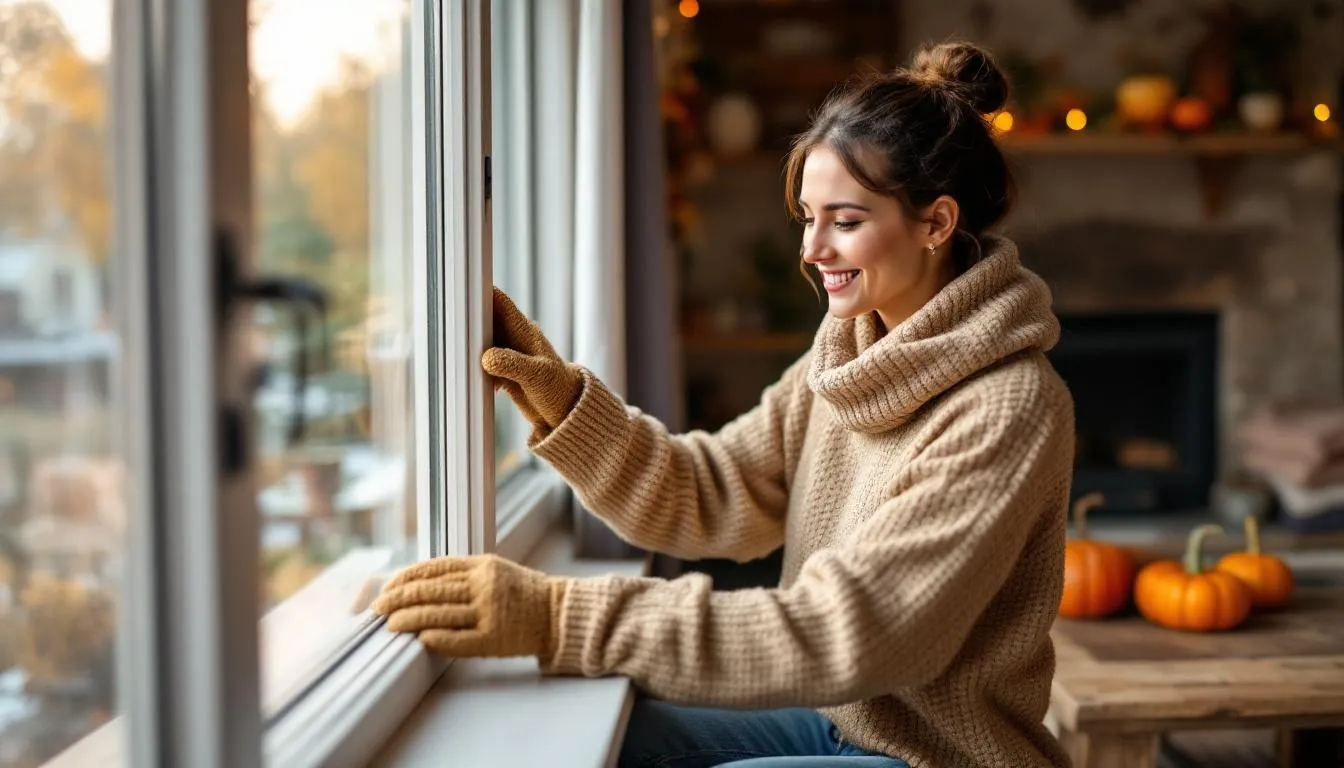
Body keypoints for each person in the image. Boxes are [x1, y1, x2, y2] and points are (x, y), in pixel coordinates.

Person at [374, 40, 1075, 768]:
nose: (812, 249)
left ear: (935, 224)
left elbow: (853, 633)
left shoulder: (1009, 406)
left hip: (940, 757)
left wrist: (558, 616)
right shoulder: (847, 353)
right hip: (836, 723)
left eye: (845, 220)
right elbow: (714, 489)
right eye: (808, 216)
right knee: (603, 750)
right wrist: (566, 403)